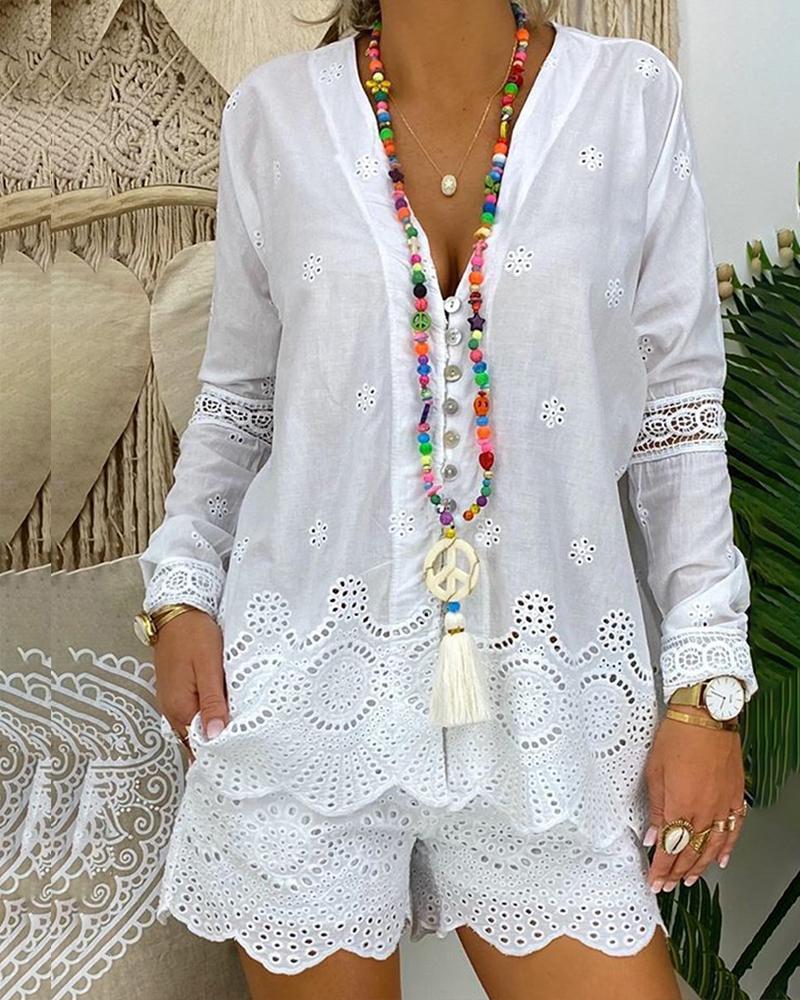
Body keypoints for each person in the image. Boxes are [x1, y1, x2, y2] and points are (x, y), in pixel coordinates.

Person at [134, 2, 758, 997]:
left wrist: (704, 690)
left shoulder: (629, 100)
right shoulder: (272, 116)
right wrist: (179, 591)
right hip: (304, 690)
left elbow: (676, 419)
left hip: (547, 710)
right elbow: (238, 403)